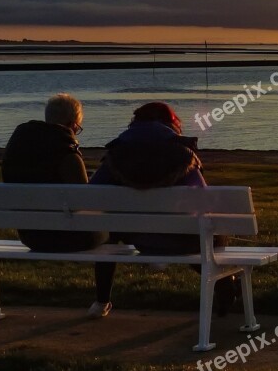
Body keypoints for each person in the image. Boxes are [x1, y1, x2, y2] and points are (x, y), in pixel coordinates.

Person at [88, 102, 238, 319]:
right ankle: (224, 283)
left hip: (137, 237)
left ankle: (102, 301)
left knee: (112, 229)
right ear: (171, 123)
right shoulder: (183, 154)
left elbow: (92, 194)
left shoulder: (116, 154)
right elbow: (204, 201)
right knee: (206, 234)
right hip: (180, 239)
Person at [2, 93, 108, 252]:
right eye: (77, 128)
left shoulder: (19, 146)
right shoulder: (67, 153)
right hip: (68, 237)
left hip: (30, 236)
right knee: (111, 226)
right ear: (72, 124)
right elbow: (82, 202)